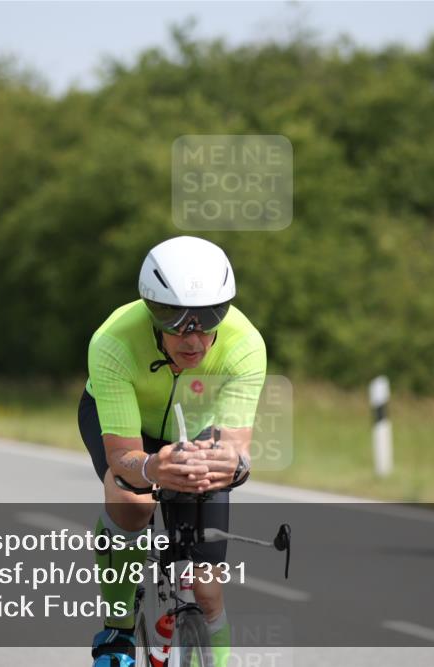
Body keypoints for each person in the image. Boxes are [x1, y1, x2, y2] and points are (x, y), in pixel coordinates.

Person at [79, 236, 266, 667]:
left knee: (207, 589)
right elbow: (123, 458)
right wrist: (151, 468)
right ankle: (118, 629)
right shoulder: (112, 341)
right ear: (150, 308)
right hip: (129, 431)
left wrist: (231, 465)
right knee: (132, 501)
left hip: (198, 432)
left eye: (209, 318)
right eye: (174, 319)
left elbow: (236, 447)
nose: (193, 338)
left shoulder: (245, 345)